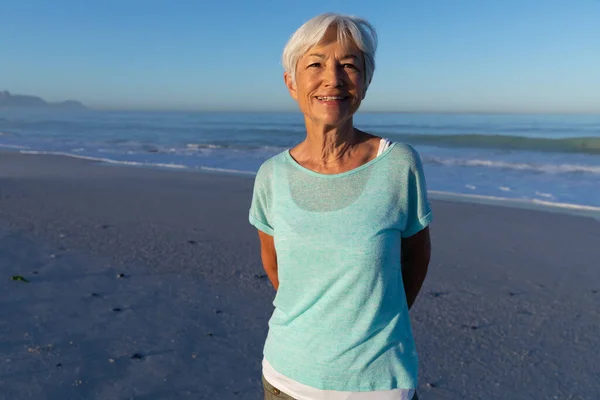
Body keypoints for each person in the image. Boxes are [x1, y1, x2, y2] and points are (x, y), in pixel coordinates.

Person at [249, 12, 432, 400]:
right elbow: (275, 265)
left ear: (364, 82)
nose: (333, 78)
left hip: (378, 384)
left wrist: (375, 323)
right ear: (291, 83)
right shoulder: (271, 176)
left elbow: (415, 256)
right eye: (315, 64)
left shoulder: (398, 164)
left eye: (349, 65)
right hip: (285, 379)